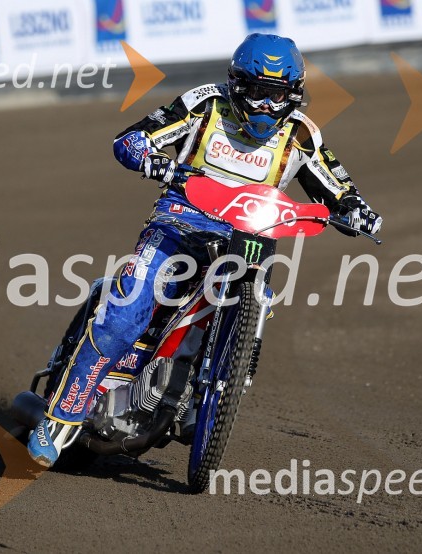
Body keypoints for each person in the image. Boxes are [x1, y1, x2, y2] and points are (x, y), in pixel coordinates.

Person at [27, 33, 382, 467]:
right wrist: (152, 159)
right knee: (126, 311)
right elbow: (132, 139)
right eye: (256, 92)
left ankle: (205, 394)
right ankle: (60, 418)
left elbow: (339, 186)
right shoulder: (205, 104)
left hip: (250, 239)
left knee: (261, 302)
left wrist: (357, 211)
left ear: (293, 94)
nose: (265, 105)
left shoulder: (302, 134)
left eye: (276, 95)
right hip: (178, 227)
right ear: (237, 84)